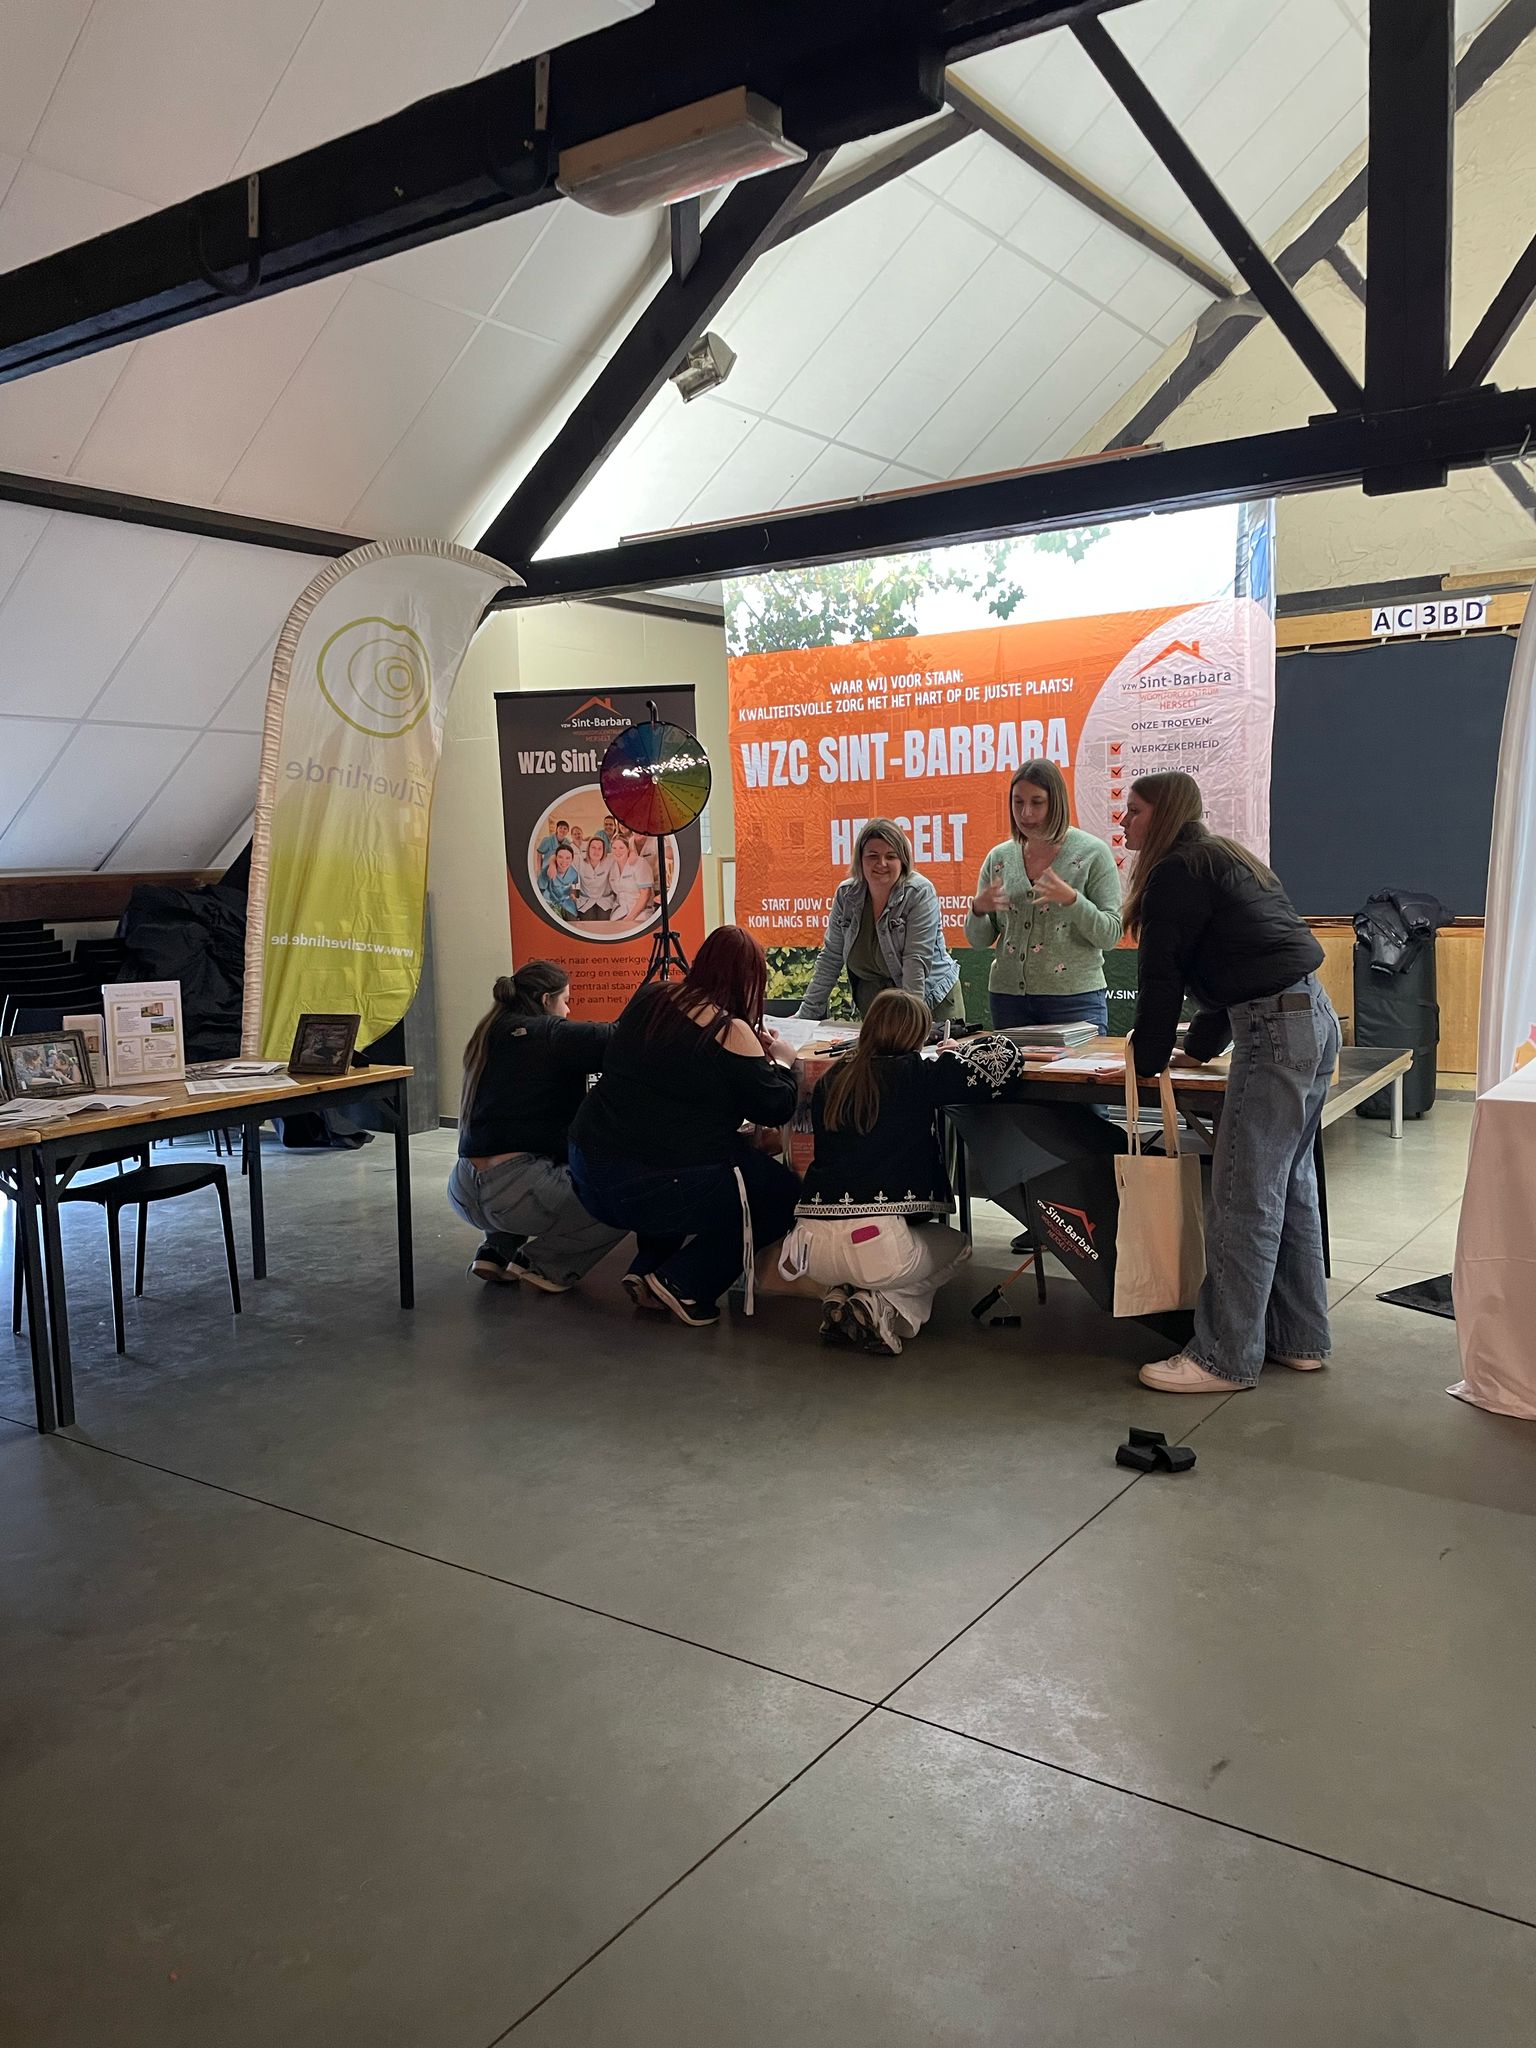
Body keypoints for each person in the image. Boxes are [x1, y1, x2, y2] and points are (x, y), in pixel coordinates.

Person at [1121, 769, 1340, 1394]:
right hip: (1313, 1017)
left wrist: (1147, 1060)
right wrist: (1197, 1048)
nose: (1124, 821)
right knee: (1287, 1186)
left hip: (1274, 1031)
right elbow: (1239, 963)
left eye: (1134, 811)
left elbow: (1162, 976)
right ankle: (1298, 1338)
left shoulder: (1175, 872)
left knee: (1244, 1194)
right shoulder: (1224, 858)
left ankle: (1223, 1357)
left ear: (1163, 814)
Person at [569, 927, 801, 1327]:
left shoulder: (652, 997)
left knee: (680, 1160)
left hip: (586, 1168)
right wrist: (782, 1061)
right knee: (781, 1195)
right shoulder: (730, 1031)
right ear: (750, 981)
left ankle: (648, 1270)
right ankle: (685, 1283)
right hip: (653, 1184)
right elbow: (775, 1106)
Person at [781, 990, 1036, 1355]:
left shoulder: (831, 1080)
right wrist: (956, 1053)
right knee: (959, 1246)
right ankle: (881, 1306)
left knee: (861, 1264)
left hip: (811, 1245)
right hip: (875, 1242)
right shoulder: (918, 1074)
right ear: (917, 1036)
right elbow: (1003, 1063)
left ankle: (841, 1295)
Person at [447, 962, 626, 1293]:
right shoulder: (549, 1033)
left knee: (542, 1159)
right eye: (566, 1001)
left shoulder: (489, 1032)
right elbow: (619, 1038)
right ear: (546, 1000)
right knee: (624, 1198)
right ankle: (543, 1264)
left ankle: (496, 1250)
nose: (569, 1011)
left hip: (464, 1188)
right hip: (516, 1192)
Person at [965, 760, 1122, 1033]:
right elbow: (978, 941)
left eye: (1037, 802)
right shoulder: (999, 858)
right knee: (1012, 1063)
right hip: (1008, 999)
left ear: (1056, 803)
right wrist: (978, 910)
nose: (1025, 813)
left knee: (1080, 1064)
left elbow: (1110, 935)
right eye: (1017, 802)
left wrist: (1072, 900)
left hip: (1074, 999)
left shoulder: (1093, 853)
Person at [797, 818, 963, 1022]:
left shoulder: (919, 892)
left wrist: (911, 1025)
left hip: (927, 1003)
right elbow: (830, 958)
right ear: (860, 860)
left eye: (891, 856)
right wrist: (805, 1017)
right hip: (875, 1007)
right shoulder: (846, 895)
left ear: (903, 861)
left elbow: (915, 963)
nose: (881, 863)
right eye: (872, 856)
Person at [606, 836, 654, 924]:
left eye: (621, 848)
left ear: (628, 849)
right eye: (614, 848)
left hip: (640, 912)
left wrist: (629, 918)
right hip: (620, 911)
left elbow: (645, 894)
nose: (617, 852)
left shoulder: (640, 863)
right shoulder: (612, 865)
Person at [574, 834, 616, 919]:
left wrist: (632, 854)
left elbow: (625, 853)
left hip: (604, 900)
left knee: (604, 923)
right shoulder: (579, 860)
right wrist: (552, 864)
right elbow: (559, 856)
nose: (596, 851)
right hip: (586, 901)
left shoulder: (609, 859)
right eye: (593, 847)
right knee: (588, 923)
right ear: (588, 849)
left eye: (600, 848)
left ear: (604, 850)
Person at [539, 843, 581, 921]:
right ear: (556, 858)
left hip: (567, 902)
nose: (564, 861)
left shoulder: (574, 873)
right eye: (560, 857)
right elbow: (540, 889)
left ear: (572, 859)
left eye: (568, 858)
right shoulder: (547, 871)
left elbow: (574, 886)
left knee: (573, 922)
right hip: (550, 902)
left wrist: (572, 894)